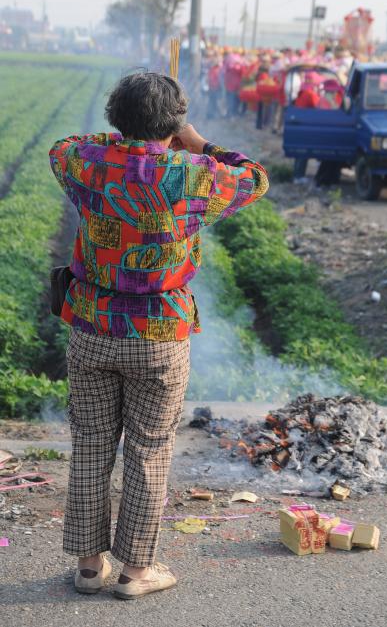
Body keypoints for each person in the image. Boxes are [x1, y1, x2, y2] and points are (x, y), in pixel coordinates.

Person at [49, 72, 269, 600]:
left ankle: (87, 567)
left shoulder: (89, 162)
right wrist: (196, 142)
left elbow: (63, 147)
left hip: (94, 326)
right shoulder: (194, 174)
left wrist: (122, 139)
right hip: (160, 334)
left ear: (116, 118)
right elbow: (255, 177)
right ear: (173, 124)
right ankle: (134, 573)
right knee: (150, 451)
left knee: (90, 446)